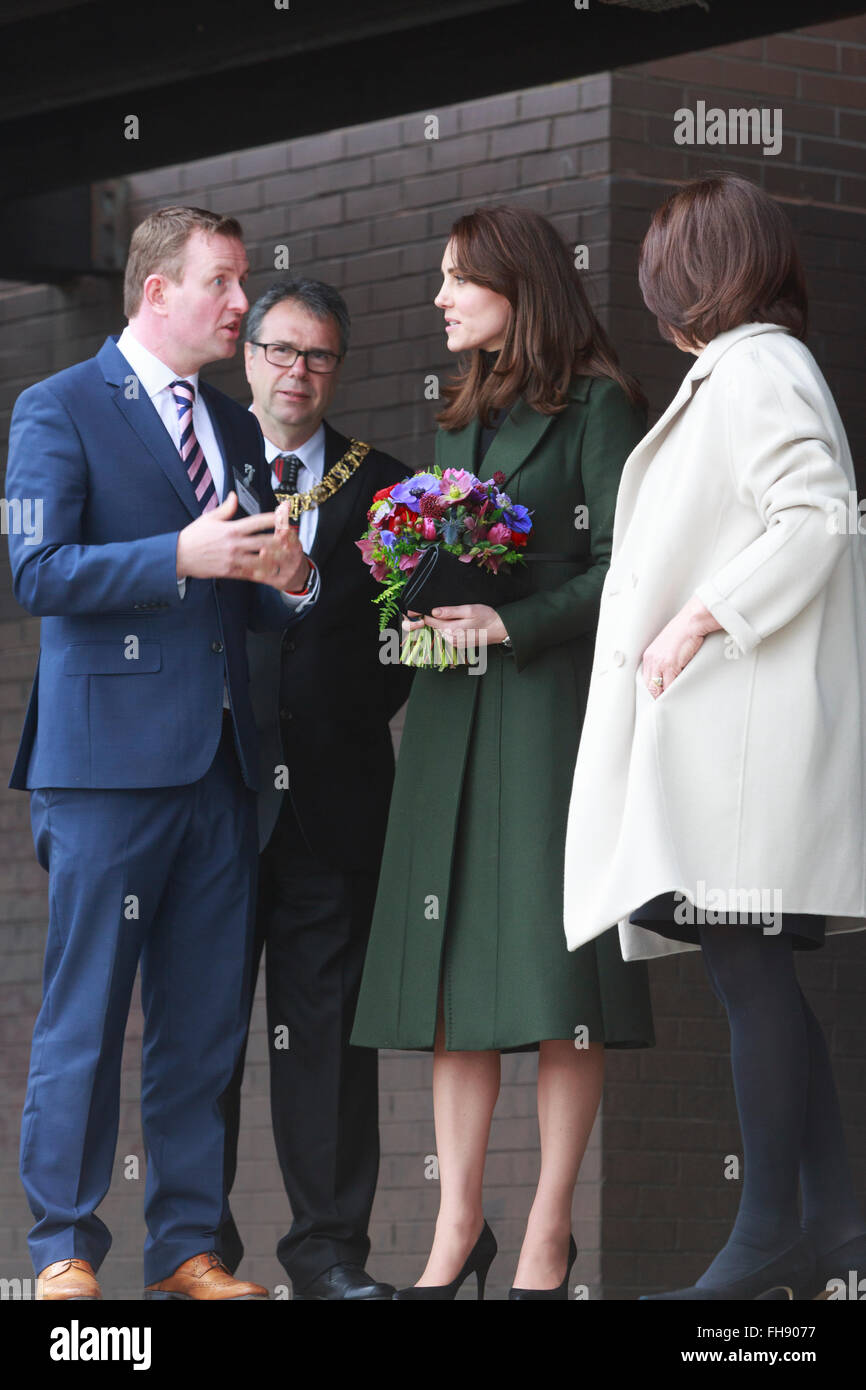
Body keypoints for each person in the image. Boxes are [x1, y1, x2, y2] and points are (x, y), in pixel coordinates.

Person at [6, 206, 318, 1302]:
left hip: (222, 769)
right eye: (224, 284)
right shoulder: (54, 407)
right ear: (156, 292)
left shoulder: (235, 430)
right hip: (101, 772)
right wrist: (175, 554)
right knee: (85, 1015)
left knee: (200, 1028)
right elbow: (33, 572)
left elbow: (257, 588)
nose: (243, 305)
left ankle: (189, 1248)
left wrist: (292, 579)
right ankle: (63, 1252)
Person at [563, 174, 866, 1301]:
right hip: (736, 743)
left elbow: (816, 513)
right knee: (756, 976)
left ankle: (770, 1227)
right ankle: (829, 1229)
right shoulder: (744, 368)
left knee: (749, 976)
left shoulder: (756, 368)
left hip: (744, 746)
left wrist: (700, 615)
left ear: (687, 274)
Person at [350, 204, 655, 1300]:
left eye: (453, 279)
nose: (436, 297)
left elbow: (631, 569)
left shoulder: (601, 406)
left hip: (543, 719)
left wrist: (510, 623)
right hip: (446, 721)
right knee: (445, 990)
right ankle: (454, 1231)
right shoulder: (455, 413)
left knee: (552, 980)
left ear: (515, 288)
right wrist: (415, 591)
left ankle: (543, 1239)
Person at [220, 279, 413, 1300]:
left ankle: (329, 1257)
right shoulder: (195, 472)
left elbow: (401, 653)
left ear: (337, 368)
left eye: (319, 356)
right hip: (211, 795)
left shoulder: (389, 487)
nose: (297, 371)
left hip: (335, 803)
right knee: (203, 1034)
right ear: (245, 353)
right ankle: (193, 1252)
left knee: (328, 1043)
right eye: (280, 349)